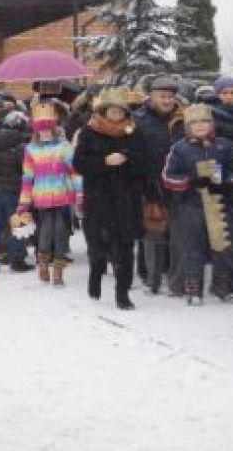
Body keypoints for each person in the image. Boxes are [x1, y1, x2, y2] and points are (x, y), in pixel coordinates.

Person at [73, 88, 149, 310]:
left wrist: (127, 158)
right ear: (103, 112)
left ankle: (122, 294)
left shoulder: (134, 132)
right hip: (98, 200)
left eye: (120, 112)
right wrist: (104, 162)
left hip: (126, 199)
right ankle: (95, 272)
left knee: (125, 248)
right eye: (112, 111)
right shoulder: (88, 132)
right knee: (98, 247)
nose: (116, 115)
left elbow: (144, 162)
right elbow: (79, 164)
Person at [162, 104, 233, 302]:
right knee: (193, 247)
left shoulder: (224, 145)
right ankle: (193, 287)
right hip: (191, 205)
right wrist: (190, 180)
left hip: (221, 203)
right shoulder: (180, 149)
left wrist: (226, 184)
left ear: (212, 124)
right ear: (187, 126)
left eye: (205, 122)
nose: (200, 126)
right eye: (195, 123)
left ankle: (222, 285)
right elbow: (168, 178)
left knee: (223, 245)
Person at [16, 102, 82, 286]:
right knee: (45, 232)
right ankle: (43, 263)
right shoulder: (31, 150)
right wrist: (24, 202)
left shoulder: (64, 147)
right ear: (36, 132)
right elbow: (27, 178)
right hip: (42, 198)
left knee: (61, 232)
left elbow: (74, 172)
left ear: (54, 129)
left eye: (47, 130)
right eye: (41, 130)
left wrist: (79, 193)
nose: (44, 133)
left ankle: (59, 270)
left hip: (62, 197)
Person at [133, 75, 184, 295]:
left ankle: (176, 281)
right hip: (150, 185)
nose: (167, 100)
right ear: (151, 96)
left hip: (180, 186)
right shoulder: (138, 119)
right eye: (162, 96)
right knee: (153, 236)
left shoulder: (183, 117)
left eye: (171, 96)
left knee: (179, 236)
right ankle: (151, 279)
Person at [0, 110, 34, 273]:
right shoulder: (21, 147)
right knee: (17, 223)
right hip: (14, 190)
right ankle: (16, 259)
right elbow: (25, 169)